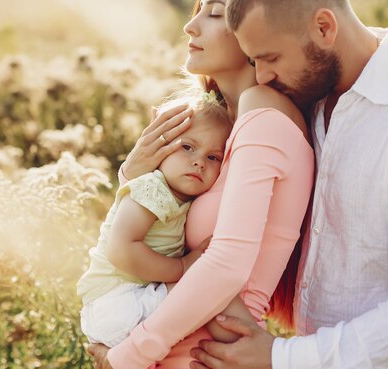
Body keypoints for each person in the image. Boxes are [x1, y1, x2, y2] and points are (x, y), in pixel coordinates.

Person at [188, 0, 388, 368]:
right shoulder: (308, 100)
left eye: (270, 58)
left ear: (324, 28)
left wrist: (283, 358)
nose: (260, 76)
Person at [87, 0, 315, 369]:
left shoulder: (264, 112)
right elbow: (138, 239)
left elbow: (227, 263)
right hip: (172, 345)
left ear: (257, 33)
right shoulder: (217, 126)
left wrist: (127, 357)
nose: (191, 27)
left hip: (201, 354)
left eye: (214, 14)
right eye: (198, 11)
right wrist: (132, 177)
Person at [77, 89, 257, 347]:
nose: (199, 162)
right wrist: (181, 268)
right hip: (115, 302)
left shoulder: (182, 198)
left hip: (128, 301)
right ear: (161, 146)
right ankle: (251, 346)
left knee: (206, 291)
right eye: (187, 147)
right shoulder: (152, 188)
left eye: (212, 157)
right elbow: (121, 250)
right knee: (203, 287)